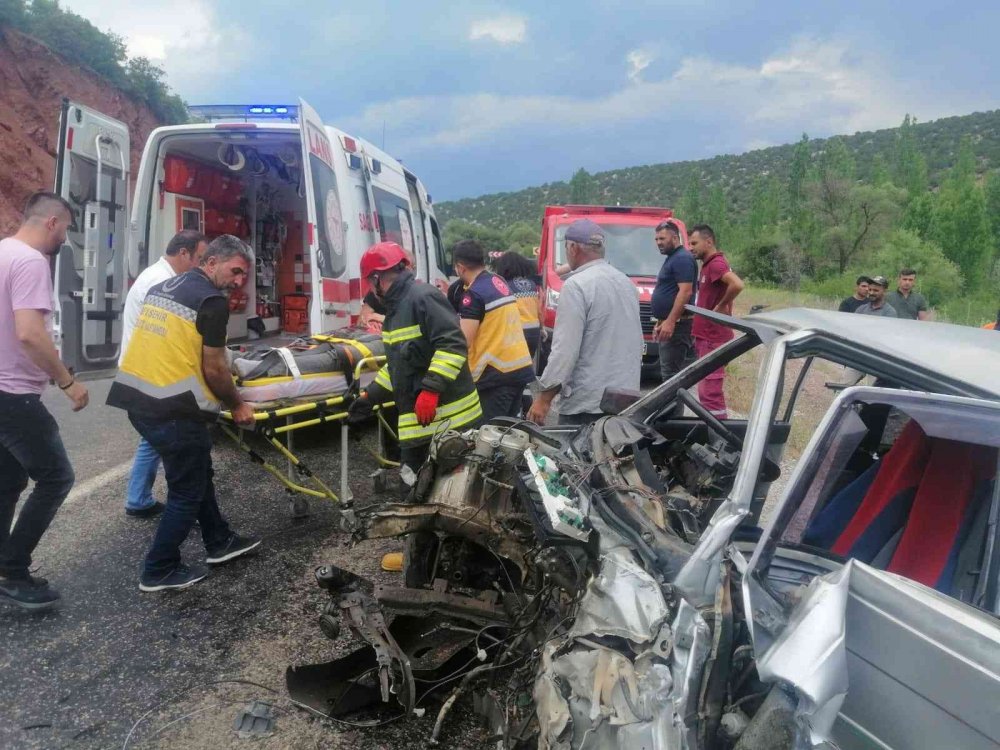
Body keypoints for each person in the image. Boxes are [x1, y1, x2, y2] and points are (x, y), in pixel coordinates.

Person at [107, 235, 260, 592]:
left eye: (244, 276)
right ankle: (158, 568)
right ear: (210, 262)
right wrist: (237, 404)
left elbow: (176, 345)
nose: (239, 281)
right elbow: (216, 369)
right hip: (172, 408)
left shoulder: (165, 286)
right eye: (235, 271)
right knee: (186, 490)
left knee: (197, 471)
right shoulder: (211, 300)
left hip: (137, 399)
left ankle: (219, 541)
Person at [0, 192, 89, 610]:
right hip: (14, 396)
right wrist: (67, 381)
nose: (64, 238)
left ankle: (4, 565)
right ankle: (13, 571)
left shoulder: (3, 251)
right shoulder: (32, 261)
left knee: (8, 482)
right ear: (52, 222)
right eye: (67, 228)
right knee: (56, 478)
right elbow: (30, 333)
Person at [348, 242, 481, 486]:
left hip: (450, 422)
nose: (370, 288)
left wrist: (431, 390)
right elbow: (399, 364)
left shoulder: (423, 298)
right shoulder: (396, 311)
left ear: (377, 278)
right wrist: (371, 397)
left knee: (446, 495)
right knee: (418, 492)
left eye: (369, 281)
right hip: (422, 430)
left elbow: (452, 344)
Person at [119, 230, 208, 519]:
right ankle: (186, 507)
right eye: (198, 258)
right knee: (175, 439)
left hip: (141, 366)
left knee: (153, 439)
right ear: (183, 253)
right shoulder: (164, 282)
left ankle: (138, 498)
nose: (199, 266)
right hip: (148, 369)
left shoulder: (155, 275)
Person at [527, 219, 642, 427]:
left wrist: (544, 399)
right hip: (624, 400)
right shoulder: (626, 283)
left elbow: (565, 350)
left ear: (572, 247)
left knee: (575, 458)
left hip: (587, 405)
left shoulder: (576, 286)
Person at [451, 241, 534, 421]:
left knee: (488, 437)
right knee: (508, 432)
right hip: (517, 368)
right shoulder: (497, 281)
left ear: (460, 267)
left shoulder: (473, 294)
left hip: (495, 375)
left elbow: (463, 341)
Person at [689, 224, 744, 420]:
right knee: (705, 389)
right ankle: (710, 427)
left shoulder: (716, 264)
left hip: (713, 337)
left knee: (710, 391)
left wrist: (722, 305)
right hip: (706, 335)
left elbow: (737, 284)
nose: (691, 247)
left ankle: (718, 435)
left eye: (694, 243)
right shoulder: (707, 265)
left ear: (709, 242)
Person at [650, 220, 697, 383]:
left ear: (675, 238)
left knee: (672, 379)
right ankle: (668, 409)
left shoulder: (682, 258)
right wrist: (662, 321)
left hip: (678, 327)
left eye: (662, 239)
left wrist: (670, 322)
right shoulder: (673, 257)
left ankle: (672, 409)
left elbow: (685, 292)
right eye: (656, 239)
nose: (658, 243)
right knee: (668, 376)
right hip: (672, 324)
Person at [493, 250, 541, 358]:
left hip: (515, 332)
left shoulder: (504, 286)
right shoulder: (532, 285)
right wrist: (541, 329)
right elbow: (539, 311)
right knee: (528, 364)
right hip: (534, 332)